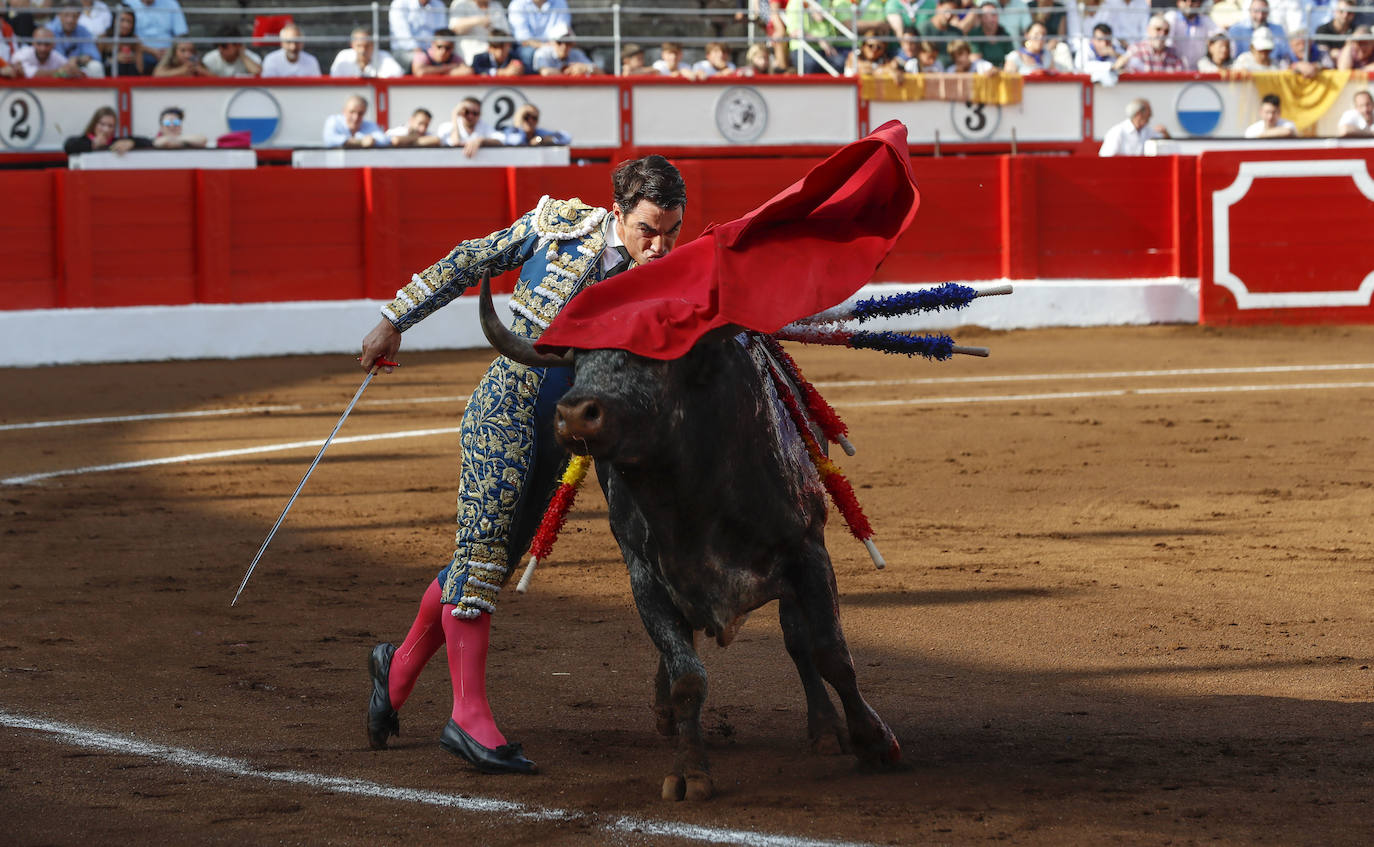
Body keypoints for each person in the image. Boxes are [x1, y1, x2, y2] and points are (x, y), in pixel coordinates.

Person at [358, 154, 687, 775]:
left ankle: (396, 669)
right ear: (618, 212)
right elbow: (469, 261)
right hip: (507, 410)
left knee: (491, 560)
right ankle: (467, 716)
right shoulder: (559, 227)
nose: (661, 245)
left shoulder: (670, 273)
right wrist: (393, 319)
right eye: (649, 229)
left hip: (568, 436)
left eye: (673, 230)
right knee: (482, 557)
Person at [63, 104, 153, 153]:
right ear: (94, 124)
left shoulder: (115, 143)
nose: (106, 129)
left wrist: (131, 143)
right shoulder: (83, 141)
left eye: (110, 126)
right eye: (102, 124)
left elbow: (148, 142)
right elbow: (69, 145)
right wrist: (93, 144)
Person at [507, 0, 570, 68]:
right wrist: (545, 47)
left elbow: (563, 31)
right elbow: (523, 38)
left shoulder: (560, 2)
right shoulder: (517, 4)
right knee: (529, 54)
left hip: (555, 46)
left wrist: (555, 47)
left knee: (571, 53)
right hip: (529, 49)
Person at [1228, 0, 1295, 64]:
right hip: (1245, 72)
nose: (1260, 16)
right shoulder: (1236, 30)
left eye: (1264, 12)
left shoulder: (1278, 30)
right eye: (1256, 11)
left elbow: (1286, 55)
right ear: (1250, 11)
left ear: (1268, 12)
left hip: (1272, 71)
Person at [434, 95, 504, 154]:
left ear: (480, 114)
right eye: (466, 112)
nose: (470, 116)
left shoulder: (484, 126)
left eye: (475, 113)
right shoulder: (446, 126)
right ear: (460, 112)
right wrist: (454, 115)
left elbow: (501, 140)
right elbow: (455, 142)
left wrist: (481, 141)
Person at [1099, 97, 1169, 155]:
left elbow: (1166, 142)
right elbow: (1106, 158)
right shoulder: (1117, 132)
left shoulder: (1148, 131)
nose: (1151, 115)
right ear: (1139, 114)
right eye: (1148, 113)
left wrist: (1165, 133)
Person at [389, 0, 450, 66]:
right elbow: (402, 36)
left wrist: (435, 52)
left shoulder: (439, 4)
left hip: (434, 51)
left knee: (455, 60)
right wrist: (423, 54)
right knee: (419, 61)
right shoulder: (399, 3)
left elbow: (441, 34)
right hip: (405, 51)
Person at [1116, 14, 1184, 71]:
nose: (1162, 34)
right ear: (1149, 30)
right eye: (1158, 29)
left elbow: (1181, 77)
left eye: (1166, 31)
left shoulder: (1175, 54)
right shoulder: (1136, 49)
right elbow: (1121, 66)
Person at [101, 6, 157, 75]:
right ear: (114, 20)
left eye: (129, 22)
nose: (126, 25)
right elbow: (98, 67)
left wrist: (134, 59)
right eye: (122, 20)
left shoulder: (134, 40)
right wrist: (114, 59)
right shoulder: (104, 38)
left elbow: (140, 70)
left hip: (130, 78)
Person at [1163, 0, 1218, 70]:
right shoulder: (1171, 17)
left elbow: (1221, 37)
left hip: (1198, 74)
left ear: (1200, 3)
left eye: (1194, 1)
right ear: (1178, 2)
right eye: (1185, 0)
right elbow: (1165, 44)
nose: (1189, 4)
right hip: (1174, 72)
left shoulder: (1205, 20)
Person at [448, 0, 508, 64]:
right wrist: (478, 20)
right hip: (468, 59)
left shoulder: (496, 5)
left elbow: (506, 34)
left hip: (494, 60)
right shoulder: (460, 3)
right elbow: (454, 29)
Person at [330, 27, 405, 77]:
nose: (363, 50)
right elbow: (333, 80)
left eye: (367, 46)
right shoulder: (343, 56)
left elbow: (398, 75)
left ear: (373, 45)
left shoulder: (384, 57)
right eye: (359, 46)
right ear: (352, 45)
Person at [52, 5, 104, 76]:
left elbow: (95, 55)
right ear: (59, 16)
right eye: (66, 15)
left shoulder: (83, 31)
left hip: (78, 67)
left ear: (79, 17)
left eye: (74, 16)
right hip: (56, 67)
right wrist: (67, 65)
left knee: (95, 66)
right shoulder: (50, 30)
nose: (70, 20)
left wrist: (77, 59)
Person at [323, 94, 390, 147]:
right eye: (352, 112)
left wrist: (370, 141)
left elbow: (384, 140)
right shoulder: (334, 121)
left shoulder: (369, 125)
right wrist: (361, 142)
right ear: (344, 111)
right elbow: (329, 140)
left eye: (360, 113)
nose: (356, 117)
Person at [1004, 20, 1070, 73]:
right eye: (1036, 34)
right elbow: (1008, 81)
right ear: (1027, 35)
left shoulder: (1047, 55)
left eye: (1043, 34)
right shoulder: (1014, 57)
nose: (1040, 37)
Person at [969, 2, 1015, 67]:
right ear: (981, 18)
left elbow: (1011, 58)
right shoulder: (974, 34)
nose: (991, 19)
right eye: (986, 16)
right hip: (981, 74)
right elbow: (975, 59)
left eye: (994, 15)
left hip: (1002, 73)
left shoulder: (1004, 34)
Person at [502, 102, 570, 145]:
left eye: (534, 118)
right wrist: (519, 125)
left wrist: (540, 139)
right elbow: (515, 142)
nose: (530, 120)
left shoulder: (539, 132)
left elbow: (566, 137)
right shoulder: (510, 132)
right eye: (526, 117)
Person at [1316, 0, 1358, 66]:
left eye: (1349, 13)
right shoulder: (1322, 30)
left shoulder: (1356, 30)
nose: (1345, 15)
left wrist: (1335, 53)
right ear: (1335, 11)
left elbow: (1358, 56)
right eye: (1341, 11)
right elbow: (1324, 57)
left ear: (1353, 14)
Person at [532, 33, 597, 74]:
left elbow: (600, 71)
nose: (564, 46)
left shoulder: (576, 53)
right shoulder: (543, 52)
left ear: (572, 44)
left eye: (568, 42)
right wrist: (568, 71)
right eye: (560, 42)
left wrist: (586, 68)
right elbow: (545, 72)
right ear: (552, 43)